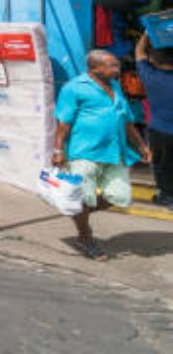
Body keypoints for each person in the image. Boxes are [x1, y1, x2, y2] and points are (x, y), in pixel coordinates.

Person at [53, 50, 152, 260]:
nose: (117, 70)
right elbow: (63, 123)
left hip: (115, 151)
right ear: (96, 68)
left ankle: (77, 210)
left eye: (117, 65)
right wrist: (58, 150)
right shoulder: (74, 88)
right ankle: (85, 236)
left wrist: (142, 146)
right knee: (84, 196)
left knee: (119, 196)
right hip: (84, 152)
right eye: (112, 66)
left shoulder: (115, 87)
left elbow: (126, 120)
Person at [136, 33, 173, 207]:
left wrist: (147, 33)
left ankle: (166, 196)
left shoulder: (150, 76)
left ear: (153, 61)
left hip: (159, 131)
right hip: (161, 129)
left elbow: (139, 53)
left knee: (161, 164)